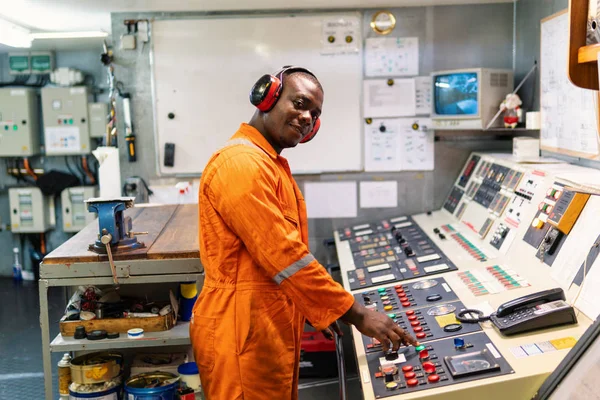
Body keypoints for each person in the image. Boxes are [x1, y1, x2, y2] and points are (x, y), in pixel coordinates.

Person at [190, 66, 417, 400]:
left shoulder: (270, 164)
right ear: (267, 97)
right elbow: (284, 255)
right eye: (300, 103)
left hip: (263, 325)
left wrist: (312, 306)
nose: (307, 117)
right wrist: (354, 312)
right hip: (240, 331)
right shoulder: (240, 164)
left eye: (315, 113)